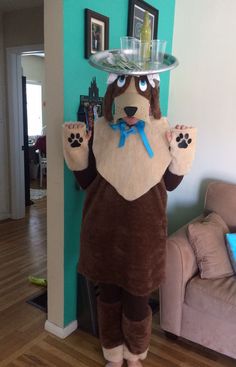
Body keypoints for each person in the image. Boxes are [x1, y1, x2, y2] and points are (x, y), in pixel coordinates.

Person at [63, 73, 196, 367]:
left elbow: (171, 185)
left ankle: (134, 355)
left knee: (137, 302)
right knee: (107, 297)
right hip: (104, 234)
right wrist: (77, 148)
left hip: (143, 239)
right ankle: (112, 353)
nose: (131, 110)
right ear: (112, 99)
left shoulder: (162, 133)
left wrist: (181, 150)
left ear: (151, 100)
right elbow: (87, 181)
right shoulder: (101, 131)